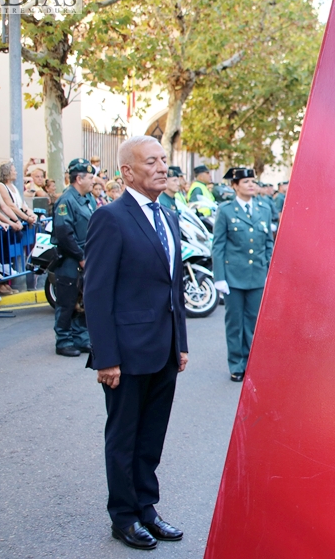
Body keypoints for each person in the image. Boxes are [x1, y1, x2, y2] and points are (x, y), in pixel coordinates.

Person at [83, 135, 188, 551]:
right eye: (152, 161)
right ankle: (124, 516)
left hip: (163, 349)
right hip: (125, 355)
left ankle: (147, 507)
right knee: (124, 437)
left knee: (151, 437)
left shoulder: (168, 216)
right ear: (127, 171)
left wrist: (180, 343)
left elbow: (172, 286)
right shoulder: (111, 217)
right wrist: (106, 358)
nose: (163, 167)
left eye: (164, 160)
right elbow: (96, 293)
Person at [213, 167, 274, 382]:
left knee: (253, 321)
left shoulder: (264, 208)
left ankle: (251, 362)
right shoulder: (226, 210)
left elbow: (268, 243)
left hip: (256, 274)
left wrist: (269, 271)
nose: (251, 185)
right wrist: (219, 277)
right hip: (234, 276)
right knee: (235, 322)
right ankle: (237, 364)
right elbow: (218, 245)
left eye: (253, 181)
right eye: (246, 181)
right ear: (235, 185)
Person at [52, 158, 95, 357]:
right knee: (67, 301)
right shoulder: (66, 200)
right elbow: (64, 233)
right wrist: (80, 257)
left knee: (83, 301)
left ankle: (81, 337)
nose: (93, 181)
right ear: (79, 178)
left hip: (88, 257)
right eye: (90, 177)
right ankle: (63, 340)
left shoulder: (88, 198)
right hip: (71, 260)